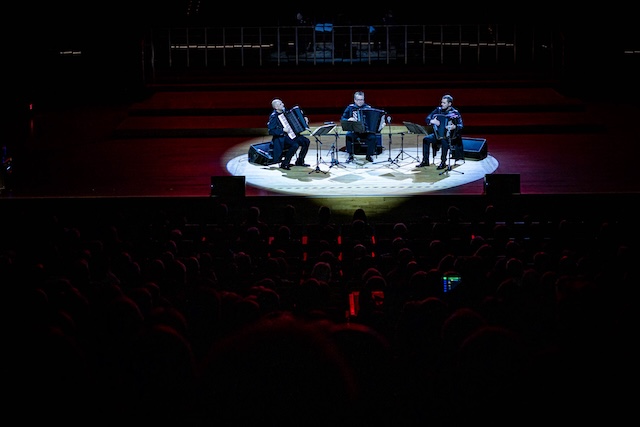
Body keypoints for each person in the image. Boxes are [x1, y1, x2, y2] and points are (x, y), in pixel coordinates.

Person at [418, 94, 464, 169]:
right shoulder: (438, 110)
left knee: (444, 141)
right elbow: (428, 118)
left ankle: (443, 162)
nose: (442, 104)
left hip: (449, 136)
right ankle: (425, 161)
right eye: (442, 102)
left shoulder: (455, 113)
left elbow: (461, 125)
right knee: (426, 139)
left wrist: (454, 127)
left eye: (444, 103)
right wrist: (432, 121)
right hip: (438, 135)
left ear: (449, 104)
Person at [267, 98, 311, 170]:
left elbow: (295, 119)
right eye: (280, 104)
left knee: (306, 141)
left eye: (282, 103)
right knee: (295, 145)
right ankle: (285, 163)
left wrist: (304, 118)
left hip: (292, 134)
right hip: (282, 137)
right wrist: (282, 130)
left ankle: (300, 161)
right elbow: (271, 131)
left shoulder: (285, 111)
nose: (283, 104)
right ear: (276, 107)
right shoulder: (274, 116)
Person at [341, 91, 383, 163]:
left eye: (362, 100)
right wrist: (349, 119)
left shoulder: (368, 108)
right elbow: (343, 118)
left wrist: (381, 124)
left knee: (372, 137)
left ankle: (368, 155)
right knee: (348, 136)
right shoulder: (350, 108)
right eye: (358, 100)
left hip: (366, 132)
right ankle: (350, 155)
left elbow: (374, 120)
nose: (360, 101)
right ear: (355, 100)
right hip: (355, 131)